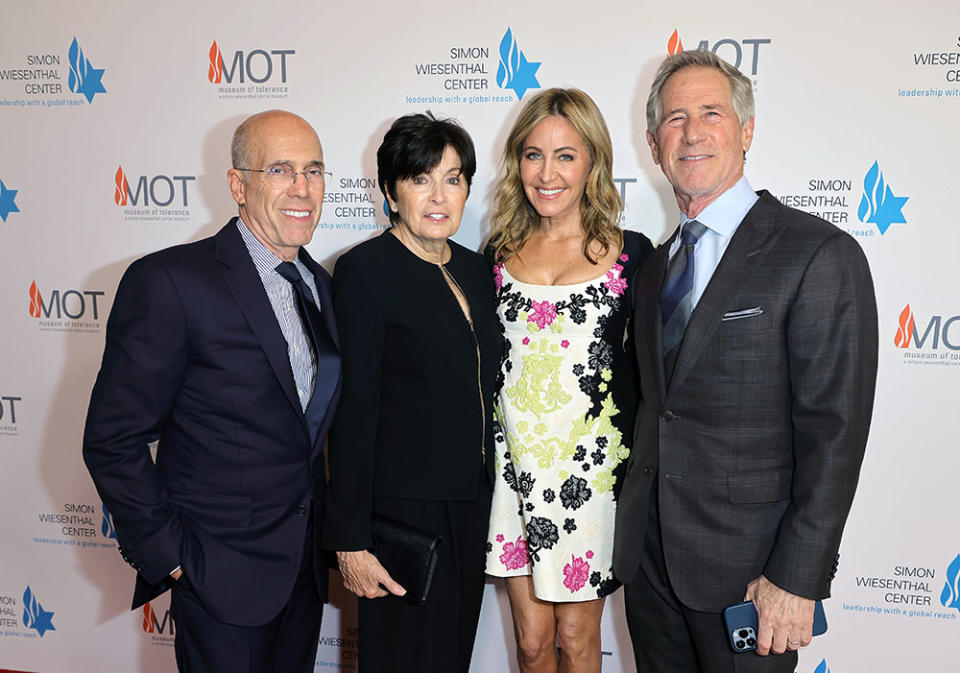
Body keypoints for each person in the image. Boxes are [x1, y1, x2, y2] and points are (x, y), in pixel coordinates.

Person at [613, 50, 879, 673]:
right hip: (649, 568)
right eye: (675, 119)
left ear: (747, 130)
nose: (693, 132)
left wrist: (798, 575)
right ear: (654, 144)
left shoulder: (816, 254)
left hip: (753, 580)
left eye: (712, 112)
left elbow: (834, 434)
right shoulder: (654, 266)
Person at [83, 110, 340, 673]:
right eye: (280, 169)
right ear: (237, 185)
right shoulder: (171, 282)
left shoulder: (321, 284)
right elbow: (112, 439)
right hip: (218, 577)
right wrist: (173, 560)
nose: (302, 188)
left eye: (314, 170)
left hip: (300, 576)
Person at [322, 112, 500, 673]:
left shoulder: (476, 271)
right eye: (421, 178)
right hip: (400, 514)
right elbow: (351, 414)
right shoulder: (365, 272)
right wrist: (350, 539)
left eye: (453, 178)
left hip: (471, 504)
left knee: (450, 657)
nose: (439, 195)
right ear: (392, 190)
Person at [484, 88, 654, 673]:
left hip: (593, 479)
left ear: (593, 162)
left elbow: (653, 373)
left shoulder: (633, 255)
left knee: (579, 641)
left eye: (565, 155)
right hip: (514, 473)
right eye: (533, 155)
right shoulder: (497, 256)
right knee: (531, 644)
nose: (547, 173)